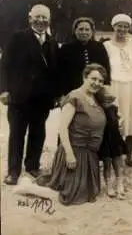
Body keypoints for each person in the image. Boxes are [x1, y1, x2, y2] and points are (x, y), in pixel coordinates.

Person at [21, 64, 108, 205]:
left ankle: (32, 185)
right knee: (70, 196)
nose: (97, 83)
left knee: (87, 193)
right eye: (94, 79)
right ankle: (28, 188)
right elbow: (63, 128)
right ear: (84, 77)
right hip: (74, 152)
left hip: (89, 156)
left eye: (101, 81)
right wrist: (69, 154)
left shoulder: (96, 99)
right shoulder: (74, 97)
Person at [0, 4, 59, 185]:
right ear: (30, 18)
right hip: (19, 97)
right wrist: (4, 90)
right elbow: (4, 66)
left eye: (44, 18)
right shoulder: (18, 38)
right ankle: (13, 171)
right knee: (17, 134)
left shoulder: (51, 41)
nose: (41, 20)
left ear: (49, 20)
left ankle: (33, 165)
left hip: (41, 99)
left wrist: (55, 95)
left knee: (38, 133)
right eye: (37, 17)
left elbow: (55, 71)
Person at [104, 14, 132, 168]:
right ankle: (115, 157)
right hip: (115, 86)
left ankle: (130, 156)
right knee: (116, 122)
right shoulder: (106, 45)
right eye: (119, 26)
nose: (122, 29)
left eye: (126, 26)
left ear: (129, 28)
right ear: (113, 27)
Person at [57, 17, 111, 98]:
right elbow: (61, 73)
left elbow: (106, 69)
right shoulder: (66, 48)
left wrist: (105, 87)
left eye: (87, 29)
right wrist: (63, 93)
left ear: (92, 32)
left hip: (96, 90)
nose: (84, 32)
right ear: (75, 31)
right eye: (81, 29)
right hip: (73, 91)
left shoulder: (99, 47)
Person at [97, 88, 128, 199]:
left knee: (117, 163)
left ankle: (120, 184)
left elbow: (122, 117)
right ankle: (109, 185)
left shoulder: (114, 108)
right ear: (100, 101)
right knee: (107, 164)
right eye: (105, 101)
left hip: (115, 138)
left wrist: (120, 122)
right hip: (105, 140)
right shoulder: (98, 110)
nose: (108, 103)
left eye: (109, 101)